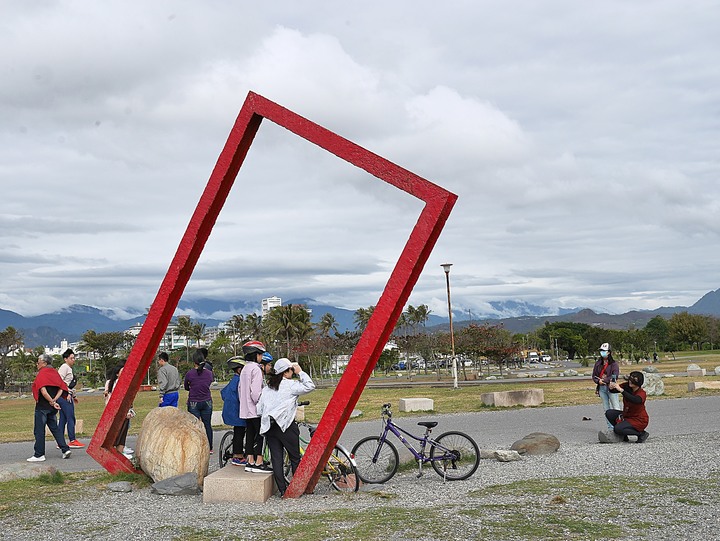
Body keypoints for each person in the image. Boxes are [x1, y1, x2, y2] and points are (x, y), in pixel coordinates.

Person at [258, 358, 315, 497]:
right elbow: (310, 386)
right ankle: (296, 489)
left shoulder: (267, 388)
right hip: (286, 426)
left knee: (277, 459)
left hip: (270, 427)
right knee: (295, 457)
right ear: (286, 372)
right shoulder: (290, 385)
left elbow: (259, 409)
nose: (292, 372)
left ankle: (283, 490)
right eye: (291, 370)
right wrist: (300, 371)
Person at [28, 354, 72, 462]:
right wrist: (54, 401)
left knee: (39, 430)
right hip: (52, 407)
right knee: (55, 428)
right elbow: (62, 388)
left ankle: (39, 454)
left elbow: (43, 391)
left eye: (38, 362)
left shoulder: (42, 373)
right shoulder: (55, 373)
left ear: (44, 363)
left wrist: (50, 401)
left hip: (42, 407)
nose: (37, 364)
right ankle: (65, 449)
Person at [239, 340, 274, 473]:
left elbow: (241, 389)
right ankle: (258, 462)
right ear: (256, 355)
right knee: (260, 435)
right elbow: (255, 393)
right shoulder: (257, 369)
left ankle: (250, 461)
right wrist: (261, 402)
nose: (261, 357)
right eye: (260, 354)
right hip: (256, 409)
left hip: (246, 409)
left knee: (249, 435)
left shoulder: (245, 369)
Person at [606, 371, 650, 443]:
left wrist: (622, 390)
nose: (630, 381)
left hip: (639, 419)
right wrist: (611, 387)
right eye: (630, 379)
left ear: (638, 383)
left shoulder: (642, 393)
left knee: (617, 429)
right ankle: (624, 435)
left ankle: (641, 433)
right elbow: (614, 390)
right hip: (627, 415)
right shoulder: (627, 386)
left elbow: (636, 400)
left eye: (633, 380)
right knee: (609, 413)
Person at [184, 349, 214, 453]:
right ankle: (210, 447)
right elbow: (209, 383)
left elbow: (186, 387)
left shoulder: (189, 374)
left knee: (195, 426)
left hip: (194, 402)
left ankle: (195, 447)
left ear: (194, 361)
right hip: (207, 401)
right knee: (207, 425)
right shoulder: (209, 373)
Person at [221, 356, 247, 466]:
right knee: (239, 433)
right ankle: (237, 456)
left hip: (231, 412)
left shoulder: (234, 379)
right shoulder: (240, 381)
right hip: (236, 413)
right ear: (240, 370)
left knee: (239, 432)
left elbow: (223, 393)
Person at [106, 361, 135, 458]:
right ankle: (117, 453)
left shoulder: (120, 383)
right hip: (120, 413)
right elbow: (119, 400)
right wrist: (126, 412)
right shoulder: (118, 384)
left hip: (123, 412)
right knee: (120, 434)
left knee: (122, 434)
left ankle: (120, 453)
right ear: (117, 374)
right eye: (123, 371)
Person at [57, 348, 84, 448]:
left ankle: (60, 442)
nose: (73, 360)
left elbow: (68, 384)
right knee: (71, 418)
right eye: (71, 358)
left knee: (63, 419)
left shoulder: (69, 368)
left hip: (66, 395)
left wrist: (73, 395)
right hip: (64, 397)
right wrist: (66, 393)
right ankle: (72, 440)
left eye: (74, 358)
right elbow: (60, 381)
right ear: (65, 359)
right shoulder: (64, 367)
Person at [591, 342, 621, 431]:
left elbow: (615, 375)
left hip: (611, 388)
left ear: (609, 352)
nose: (602, 352)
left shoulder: (614, 364)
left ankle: (619, 427)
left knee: (616, 408)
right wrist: (598, 381)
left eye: (604, 351)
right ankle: (610, 428)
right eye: (601, 351)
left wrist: (604, 380)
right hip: (602, 388)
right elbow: (594, 375)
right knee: (606, 409)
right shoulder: (598, 363)